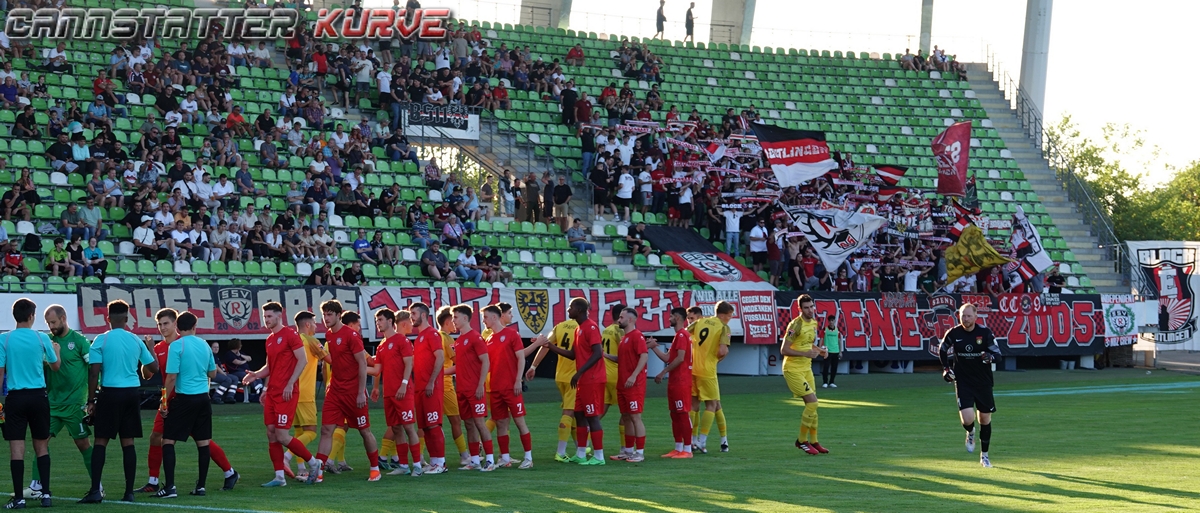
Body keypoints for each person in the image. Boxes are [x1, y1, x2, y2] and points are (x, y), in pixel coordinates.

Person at [138, 309, 238, 495]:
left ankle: (227, 472)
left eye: (166, 323)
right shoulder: (160, 348)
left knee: (189, 439)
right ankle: (155, 481)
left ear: (175, 324)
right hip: (176, 399)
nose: (162, 327)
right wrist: (149, 351)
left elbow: (175, 377)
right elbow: (147, 374)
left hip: (180, 399)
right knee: (158, 436)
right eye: (159, 324)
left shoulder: (180, 345)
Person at [79, 300, 159, 504]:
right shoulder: (135, 340)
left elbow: (94, 372)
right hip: (131, 393)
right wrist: (150, 348)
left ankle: (95, 491)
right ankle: (129, 492)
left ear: (108, 318)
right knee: (128, 442)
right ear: (126, 318)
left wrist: (91, 400)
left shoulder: (101, 340)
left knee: (101, 441)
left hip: (109, 393)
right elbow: (154, 368)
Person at [23, 305, 93, 502]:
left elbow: (94, 368)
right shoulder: (47, 341)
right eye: (48, 323)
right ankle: (36, 486)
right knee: (41, 441)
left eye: (53, 322)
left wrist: (92, 397)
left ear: (63, 318)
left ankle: (97, 485)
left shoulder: (79, 341)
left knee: (83, 444)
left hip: (75, 404)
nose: (51, 326)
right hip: (52, 403)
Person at [247, 302, 322, 487]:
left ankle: (314, 463)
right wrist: (256, 375)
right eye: (265, 317)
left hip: (286, 393)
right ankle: (279, 477)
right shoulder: (270, 339)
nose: (266, 320)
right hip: (273, 392)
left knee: (281, 435)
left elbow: (302, 360)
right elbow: (270, 367)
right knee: (271, 433)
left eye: (269, 316)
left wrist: (290, 383)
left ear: (279, 316)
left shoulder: (290, 335)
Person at [1, 299, 59, 509]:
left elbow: (0, 372)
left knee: (16, 449)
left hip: (16, 397)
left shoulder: (5, 339)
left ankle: (19, 498)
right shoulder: (41, 337)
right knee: (41, 447)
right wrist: (57, 352)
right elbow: (55, 366)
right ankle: (46, 495)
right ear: (31, 316)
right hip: (38, 397)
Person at [314, 301, 382, 482]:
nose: (326, 318)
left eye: (329, 314)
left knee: (364, 431)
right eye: (324, 315)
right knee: (326, 430)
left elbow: (362, 363)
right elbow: (335, 362)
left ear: (339, 315)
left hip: (353, 392)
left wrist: (360, 392)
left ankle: (375, 469)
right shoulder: (329, 335)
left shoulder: (351, 335)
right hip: (335, 391)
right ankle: (318, 471)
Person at [537, 297, 608, 465]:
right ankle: (581, 453)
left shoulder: (591, 327)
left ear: (580, 310)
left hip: (592, 378)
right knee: (579, 415)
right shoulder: (578, 329)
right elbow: (573, 354)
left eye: (571, 307)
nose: (568, 310)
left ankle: (599, 456)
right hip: (583, 379)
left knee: (592, 417)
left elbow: (598, 353)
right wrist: (550, 346)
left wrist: (579, 372)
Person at [155, 312, 219, 498]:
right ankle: (201, 487)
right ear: (194, 326)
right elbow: (213, 373)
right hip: (203, 399)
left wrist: (164, 401)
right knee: (203, 442)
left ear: (177, 327)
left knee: (168, 440)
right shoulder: (204, 344)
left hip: (184, 399)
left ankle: (170, 487)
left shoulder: (177, 346)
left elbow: (171, 377)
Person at [939, 303, 1002, 468]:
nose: (965, 319)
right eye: (963, 316)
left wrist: (990, 357)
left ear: (975, 317)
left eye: (968, 316)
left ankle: (985, 456)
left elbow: (998, 354)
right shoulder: (954, 333)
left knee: (984, 419)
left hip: (983, 382)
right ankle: (971, 432)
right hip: (963, 381)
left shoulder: (985, 333)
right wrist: (946, 369)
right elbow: (942, 349)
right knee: (967, 419)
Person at [368, 309, 427, 475]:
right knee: (396, 429)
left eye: (380, 320)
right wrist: (356, 367)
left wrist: (404, 383)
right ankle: (403, 465)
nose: (378, 323)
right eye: (376, 320)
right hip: (389, 393)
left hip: (403, 392)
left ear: (390, 321)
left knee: (409, 427)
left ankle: (417, 465)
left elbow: (409, 363)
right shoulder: (382, 346)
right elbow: (377, 370)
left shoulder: (402, 340)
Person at [482, 304, 535, 469]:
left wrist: (518, 380)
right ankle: (504, 458)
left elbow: (520, 358)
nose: (483, 321)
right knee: (501, 423)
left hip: (511, 387)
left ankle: (528, 458)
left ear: (494, 317)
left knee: (519, 422)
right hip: (495, 388)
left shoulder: (512, 334)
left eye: (485, 317)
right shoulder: (489, 339)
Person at [448, 305, 497, 471]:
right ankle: (475, 460)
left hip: (474, 389)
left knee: (479, 423)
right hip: (462, 389)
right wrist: (440, 372)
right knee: (468, 424)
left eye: (455, 317)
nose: (453, 320)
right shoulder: (458, 341)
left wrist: (480, 384)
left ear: (464, 318)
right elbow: (460, 366)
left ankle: (490, 460)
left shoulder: (475, 337)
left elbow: (486, 361)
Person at [527, 315, 581, 462]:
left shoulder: (560, 326)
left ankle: (581, 447)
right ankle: (560, 452)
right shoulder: (583, 327)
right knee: (569, 412)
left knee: (574, 412)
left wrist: (533, 366)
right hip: (575, 376)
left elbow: (546, 345)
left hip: (560, 376)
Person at [780, 295, 829, 456]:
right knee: (813, 403)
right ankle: (801, 441)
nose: (810, 310)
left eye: (812, 306)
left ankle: (814, 441)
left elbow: (807, 343)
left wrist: (819, 350)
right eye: (806, 307)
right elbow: (784, 349)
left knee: (813, 406)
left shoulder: (813, 322)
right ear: (799, 309)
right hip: (793, 369)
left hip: (806, 369)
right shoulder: (796, 325)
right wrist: (806, 353)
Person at [285, 311, 328, 480]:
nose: (316, 327)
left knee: (299, 431)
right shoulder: (311, 340)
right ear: (308, 324)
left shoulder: (293, 340)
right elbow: (331, 360)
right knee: (311, 432)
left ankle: (301, 467)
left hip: (292, 391)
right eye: (315, 323)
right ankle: (286, 457)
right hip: (305, 393)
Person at [649, 307, 694, 458]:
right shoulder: (678, 336)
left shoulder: (682, 335)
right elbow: (668, 358)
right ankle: (678, 447)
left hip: (682, 381)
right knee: (675, 414)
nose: (669, 319)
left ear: (678, 317)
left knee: (682, 414)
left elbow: (680, 358)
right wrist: (654, 347)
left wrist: (663, 372)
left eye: (671, 316)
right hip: (675, 381)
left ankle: (687, 449)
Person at [409, 302, 448, 474]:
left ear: (423, 315)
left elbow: (440, 357)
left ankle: (441, 463)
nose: (411, 317)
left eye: (414, 313)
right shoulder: (419, 338)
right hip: (420, 388)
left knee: (433, 425)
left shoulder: (432, 334)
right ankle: (434, 462)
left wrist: (432, 381)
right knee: (425, 427)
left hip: (431, 387)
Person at [689, 301, 733, 454]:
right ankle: (702, 441)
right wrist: (716, 359)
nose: (730, 319)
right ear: (723, 315)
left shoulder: (699, 322)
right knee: (713, 405)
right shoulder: (723, 327)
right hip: (708, 370)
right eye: (730, 316)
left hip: (693, 368)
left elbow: (684, 335)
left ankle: (691, 440)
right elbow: (722, 351)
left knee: (694, 405)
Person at [610, 308, 649, 462]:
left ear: (630, 320)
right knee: (626, 416)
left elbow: (644, 356)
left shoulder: (637, 336)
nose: (619, 320)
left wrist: (633, 375)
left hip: (634, 385)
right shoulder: (624, 338)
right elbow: (622, 359)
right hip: (623, 384)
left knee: (635, 417)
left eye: (621, 317)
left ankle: (639, 453)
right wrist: (603, 355)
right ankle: (628, 451)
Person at [821, 313, 842, 388]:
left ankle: (832, 382)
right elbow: (821, 338)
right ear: (828, 321)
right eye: (830, 321)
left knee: (834, 367)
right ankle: (825, 382)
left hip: (835, 351)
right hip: (827, 351)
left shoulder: (837, 330)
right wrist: (820, 348)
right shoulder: (825, 329)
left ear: (834, 321)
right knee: (826, 367)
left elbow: (839, 341)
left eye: (832, 320)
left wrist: (840, 351)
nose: (831, 322)